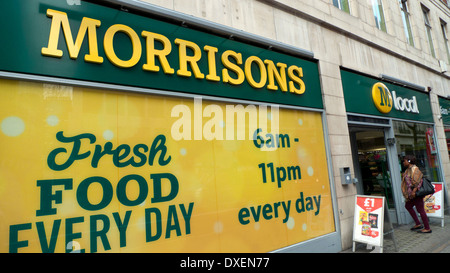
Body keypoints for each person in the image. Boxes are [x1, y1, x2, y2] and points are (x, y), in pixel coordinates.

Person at [400, 155, 432, 233]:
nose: (403, 162)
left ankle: (427, 228)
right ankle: (418, 224)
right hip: (411, 194)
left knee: (420, 210)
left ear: (409, 161)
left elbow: (417, 181)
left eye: (405, 161)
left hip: (416, 193)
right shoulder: (408, 170)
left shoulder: (414, 169)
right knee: (408, 206)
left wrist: (414, 191)